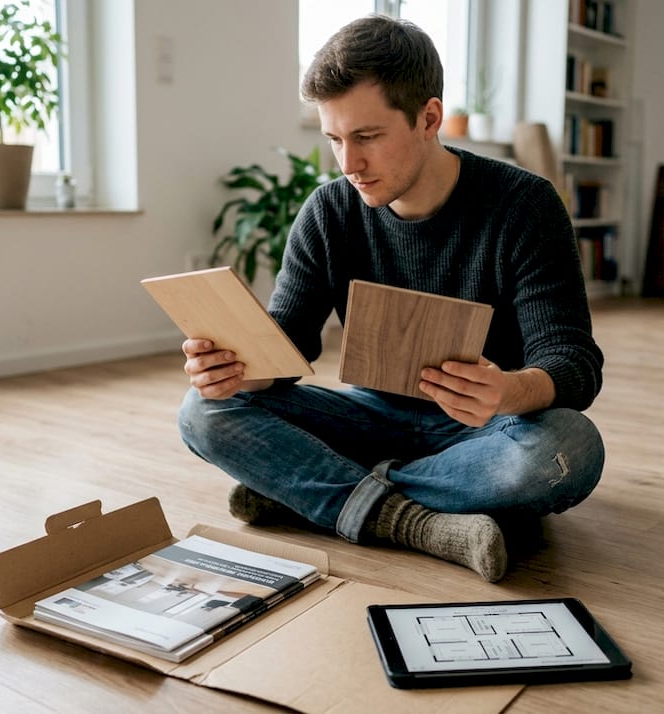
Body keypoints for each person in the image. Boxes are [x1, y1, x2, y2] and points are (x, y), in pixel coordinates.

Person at [177, 15, 604, 582]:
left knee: (569, 446)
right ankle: (418, 521)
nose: (348, 164)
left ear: (429, 118)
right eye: (334, 139)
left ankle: (318, 492)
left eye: (368, 137)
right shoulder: (328, 211)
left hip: (485, 430)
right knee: (203, 412)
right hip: (371, 415)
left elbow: (573, 360)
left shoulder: (525, 206)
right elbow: (290, 344)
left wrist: (508, 390)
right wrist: (239, 371)